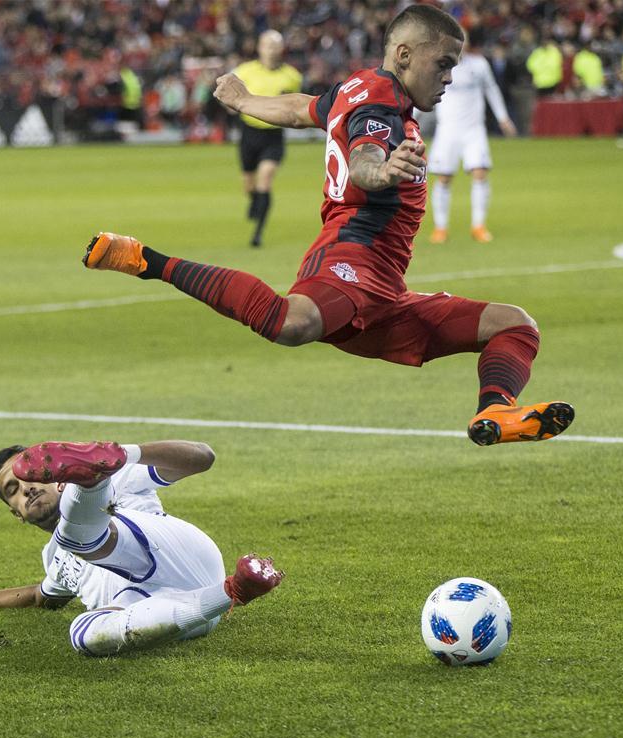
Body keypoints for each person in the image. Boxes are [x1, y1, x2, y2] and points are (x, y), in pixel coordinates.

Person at [80, 5, 574, 447]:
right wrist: (381, 172)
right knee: (292, 322)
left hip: (385, 293)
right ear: (404, 54)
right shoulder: (380, 110)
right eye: (442, 63)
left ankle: (495, 410)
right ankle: (146, 261)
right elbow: (364, 159)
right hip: (350, 258)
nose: (449, 76)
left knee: (515, 325)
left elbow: (301, 108)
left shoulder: (358, 88)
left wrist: (245, 101)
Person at [0, 440, 284, 656]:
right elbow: (41, 597)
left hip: (175, 551)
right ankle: (235, 589)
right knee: (84, 635)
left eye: (32, 475)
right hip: (187, 608)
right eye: (14, 491)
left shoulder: (125, 480)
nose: (27, 489)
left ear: (57, 476)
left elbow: (203, 457)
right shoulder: (53, 560)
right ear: (16, 514)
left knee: (84, 533)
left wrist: (129, 455)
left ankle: (92, 481)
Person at [425, 26, 517, 245]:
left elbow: (491, 90)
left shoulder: (479, 65)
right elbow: (423, 91)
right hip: (448, 130)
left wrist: (503, 117)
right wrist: (410, 116)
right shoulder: (438, 67)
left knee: (480, 173)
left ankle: (478, 225)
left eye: (461, 40)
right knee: (444, 178)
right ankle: (440, 228)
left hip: (474, 130)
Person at [233, 30, 303, 247]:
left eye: (275, 46)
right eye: (267, 46)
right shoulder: (244, 71)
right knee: (249, 185)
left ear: (281, 49)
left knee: (266, 177)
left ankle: (257, 233)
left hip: (274, 135)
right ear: (259, 48)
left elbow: (295, 104)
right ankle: (255, 201)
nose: (271, 50)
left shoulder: (292, 76)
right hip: (249, 132)